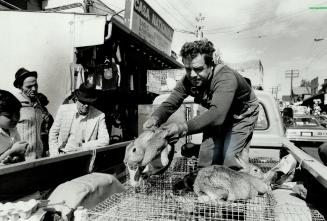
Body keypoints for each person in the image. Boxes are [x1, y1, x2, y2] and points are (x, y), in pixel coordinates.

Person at [143, 39, 259, 172]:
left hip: (241, 116)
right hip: (215, 114)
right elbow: (171, 102)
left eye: (198, 69)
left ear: (210, 65)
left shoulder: (225, 78)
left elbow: (217, 115)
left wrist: (182, 128)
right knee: (206, 158)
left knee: (231, 161)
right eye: (188, 69)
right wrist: (155, 118)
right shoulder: (188, 80)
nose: (192, 75)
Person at [49, 83, 109, 156]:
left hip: (84, 156)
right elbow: (53, 133)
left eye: (89, 102)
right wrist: (54, 155)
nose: (86, 105)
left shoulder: (99, 115)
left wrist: (83, 147)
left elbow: (105, 140)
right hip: (62, 154)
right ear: (76, 99)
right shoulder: (64, 110)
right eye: (83, 102)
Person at [13, 67, 44, 160]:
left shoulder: (38, 106)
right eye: (29, 87)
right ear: (20, 86)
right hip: (21, 159)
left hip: (38, 157)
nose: (34, 89)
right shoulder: (15, 105)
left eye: (36, 85)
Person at [0, 89, 28, 164]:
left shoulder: (13, 129)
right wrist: (12, 151)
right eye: (9, 116)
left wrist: (18, 157)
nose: (15, 119)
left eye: (17, 113)